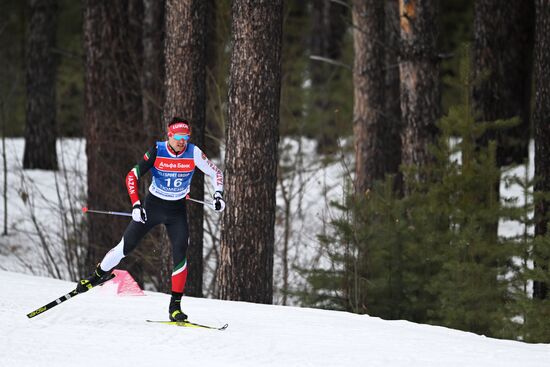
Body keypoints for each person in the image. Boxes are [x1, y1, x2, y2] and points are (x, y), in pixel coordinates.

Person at [77, 116, 225, 322]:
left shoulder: (194, 152)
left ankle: (175, 307)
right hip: (152, 206)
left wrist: (218, 195)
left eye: (186, 136)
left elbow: (216, 173)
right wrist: (136, 204)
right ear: (170, 135)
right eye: (179, 137)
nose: (183, 141)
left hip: (176, 211)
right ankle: (96, 276)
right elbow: (132, 175)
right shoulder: (158, 150)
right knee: (125, 246)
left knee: (181, 252)